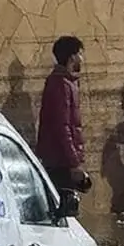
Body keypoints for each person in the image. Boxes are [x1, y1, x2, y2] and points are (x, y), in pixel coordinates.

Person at [36, 35, 91, 194]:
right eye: (80, 54)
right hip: (59, 161)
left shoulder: (67, 82)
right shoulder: (60, 84)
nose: (82, 58)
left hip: (61, 159)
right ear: (72, 56)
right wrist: (73, 162)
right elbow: (62, 125)